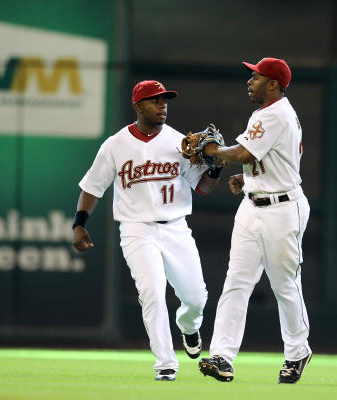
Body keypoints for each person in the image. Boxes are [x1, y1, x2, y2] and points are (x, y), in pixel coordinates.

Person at [72, 80, 222, 381]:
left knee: (196, 298)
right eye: (155, 101)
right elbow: (93, 186)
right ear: (138, 106)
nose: (162, 105)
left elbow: (203, 187)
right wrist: (79, 224)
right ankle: (166, 363)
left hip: (176, 227)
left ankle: (188, 326)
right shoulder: (115, 144)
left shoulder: (179, 143)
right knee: (152, 292)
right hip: (136, 229)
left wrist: (215, 167)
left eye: (165, 100)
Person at [198, 58, 312, 384]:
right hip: (253, 205)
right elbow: (259, 159)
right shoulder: (265, 112)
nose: (250, 81)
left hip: (282, 209)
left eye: (256, 76)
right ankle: (222, 355)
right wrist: (247, 181)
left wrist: (213, 149)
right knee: (236, 281)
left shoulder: (277, 114)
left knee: (284, 285)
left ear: (273, 84)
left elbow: (246, 154)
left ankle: (297, 351)